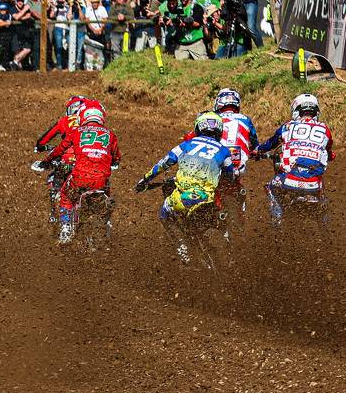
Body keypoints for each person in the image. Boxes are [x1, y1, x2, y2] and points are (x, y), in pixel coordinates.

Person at [136, 112, 232, 263]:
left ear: (199, 127)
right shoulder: (225, 151)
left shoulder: (187, 144)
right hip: (208, 199)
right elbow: (229, 177)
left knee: (164, 212)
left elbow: (164, 163)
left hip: (184, 198)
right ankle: (226, 242)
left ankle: (182, 247)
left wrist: (145, 179)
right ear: (219, 129)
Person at [253, 94, 335, 227]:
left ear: (296, 110)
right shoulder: (325, 129)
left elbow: (270, 144)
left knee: (271, 187)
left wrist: (257, 150)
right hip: (314, 185)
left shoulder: (287, 126)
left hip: (289, 180)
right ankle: (325, 228)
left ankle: (278, 220)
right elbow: (329, 151)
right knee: (323, 198)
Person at [43, 104, 120, 246]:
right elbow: (116, 157)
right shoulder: (110, 134)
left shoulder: (77, 131)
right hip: (101, 180)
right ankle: (106, 224)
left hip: (80, 177)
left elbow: (60, 149)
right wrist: (113, 161)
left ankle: (65, 230)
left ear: (83, 116)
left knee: (65, 196)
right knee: (107, 196)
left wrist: (46, 161)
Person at [211, 87, 258, 218]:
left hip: (217, 158)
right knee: (237, 179)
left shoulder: (212, 118)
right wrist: (256, 151)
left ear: (219, 102)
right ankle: (240, 200)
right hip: (238, 161)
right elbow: (254, 143)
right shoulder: (246, 119)